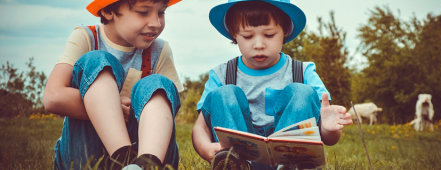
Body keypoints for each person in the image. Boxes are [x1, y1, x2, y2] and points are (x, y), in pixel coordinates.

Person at [191, 0, 353, 169]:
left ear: (285, 32)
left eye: (269, 35)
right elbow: (201, 127)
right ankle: (234, 164)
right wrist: (206, 148)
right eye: (247, 36)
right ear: (234, 35)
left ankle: (289, 164)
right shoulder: (221, 75)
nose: (259, 45)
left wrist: (328, 129)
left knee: (302, 92)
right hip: (241, 156)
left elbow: (329, 139)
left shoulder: (303, 71)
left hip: (289, 155)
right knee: (223, 94)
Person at [43, 0, 183, 169]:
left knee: (158, 85)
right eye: (143, 12)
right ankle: (121, 158)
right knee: (97, 60)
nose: (156, 23)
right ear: (109, 11)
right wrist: (111, 107)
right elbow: (53, 97)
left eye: (161, 13)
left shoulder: (159, 50)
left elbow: (166, 110)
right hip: (86, 155)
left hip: (144, 151)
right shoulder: (87, 37)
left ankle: (147, 164)